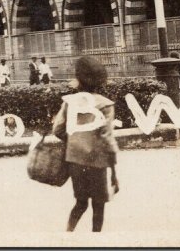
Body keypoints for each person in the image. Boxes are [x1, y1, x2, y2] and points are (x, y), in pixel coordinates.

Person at [52, 56, 119, 232]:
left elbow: (57, 129)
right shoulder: (106, 104)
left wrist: (75, 140)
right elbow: (108, 139)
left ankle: (67, 236)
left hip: (75, 160)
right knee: (99, 206)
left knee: (80, 203)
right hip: (97, 162)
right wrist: (114, 174)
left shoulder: (70, 102)